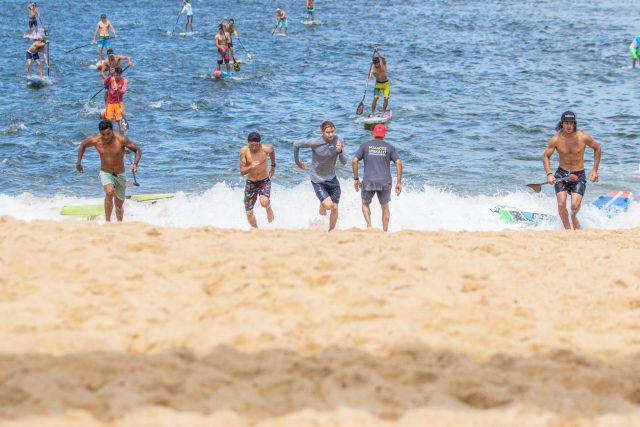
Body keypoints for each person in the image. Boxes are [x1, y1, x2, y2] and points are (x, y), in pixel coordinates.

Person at [542, 111, 601, 230]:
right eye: (566, 123)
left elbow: (597, 148)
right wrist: (549, 174)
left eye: (571, 123)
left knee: (574, 207)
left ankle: (574, 218)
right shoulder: (556, 139)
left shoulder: (582, 137)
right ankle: (568, 230)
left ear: (574, 124)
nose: (569, 126)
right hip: (561, 174)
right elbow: (545, 156)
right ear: (562, 124)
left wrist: (595, 170)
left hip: (578, 175)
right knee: (561, 204)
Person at [76, 120, 142, 222]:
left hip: (120, 174)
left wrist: (135, 164)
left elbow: (137, 150)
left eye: (108, 133)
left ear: (112, 130)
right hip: (105, 172)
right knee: (109, 192)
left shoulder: (121, 139)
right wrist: (79, 162)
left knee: (119, 207)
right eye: (103, 134)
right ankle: (107, 222)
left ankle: (119, 223)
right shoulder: (95, 140)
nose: (106, 137)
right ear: (99, 133)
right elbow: (83, 145)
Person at [294, 120, 346, 231]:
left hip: (332, 178)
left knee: (335, 207)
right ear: (322, 131)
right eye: (328, 132)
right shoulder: (315, 142)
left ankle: (330, 232)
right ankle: (323, 203)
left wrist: (340, 151)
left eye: (332, 131)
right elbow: (296, 144)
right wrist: (297, 162)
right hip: (318, 180)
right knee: (329, 206)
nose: (331, 134)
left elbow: (344, 162)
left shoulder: (339, 140)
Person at [352, 124, 402, 232]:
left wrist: (356, 179)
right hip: (385, 182)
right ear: (384, 134)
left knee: (365, 203)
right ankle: (384, 231)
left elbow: (354, 160)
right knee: (385, 206)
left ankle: (369, 225)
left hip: (368, 181)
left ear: (373, 133)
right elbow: (398, 162)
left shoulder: (365, 146)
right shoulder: (389, 147)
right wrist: (398, 182)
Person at [239, 132, 275, 228]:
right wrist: (250, 166)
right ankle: (256, 230)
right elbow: (242, 172)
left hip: (264, 181)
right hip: (251, 183)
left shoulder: (265, 149)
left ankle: (268, 208)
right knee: (249, 213)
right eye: (251, 145)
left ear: (260, 143)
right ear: (248, 143)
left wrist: (273, 166)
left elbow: (272, 151)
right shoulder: (244, 151)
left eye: (256, 145)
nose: (254, 147)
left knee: (264, 202)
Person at [101, 67, 128, 134]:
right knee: (109, 122)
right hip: (110, 102)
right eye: (116, 75)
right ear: (114, 73)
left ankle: (121, 138)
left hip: (119, 102)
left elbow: (123, 90)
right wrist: (110, 75)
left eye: (119, 75)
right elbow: (105, 83)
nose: (117, 77)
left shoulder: (124, 80)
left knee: (120, 122)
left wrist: (118, 90)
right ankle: (111, 137)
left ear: (121, 74)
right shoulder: (111, 79)